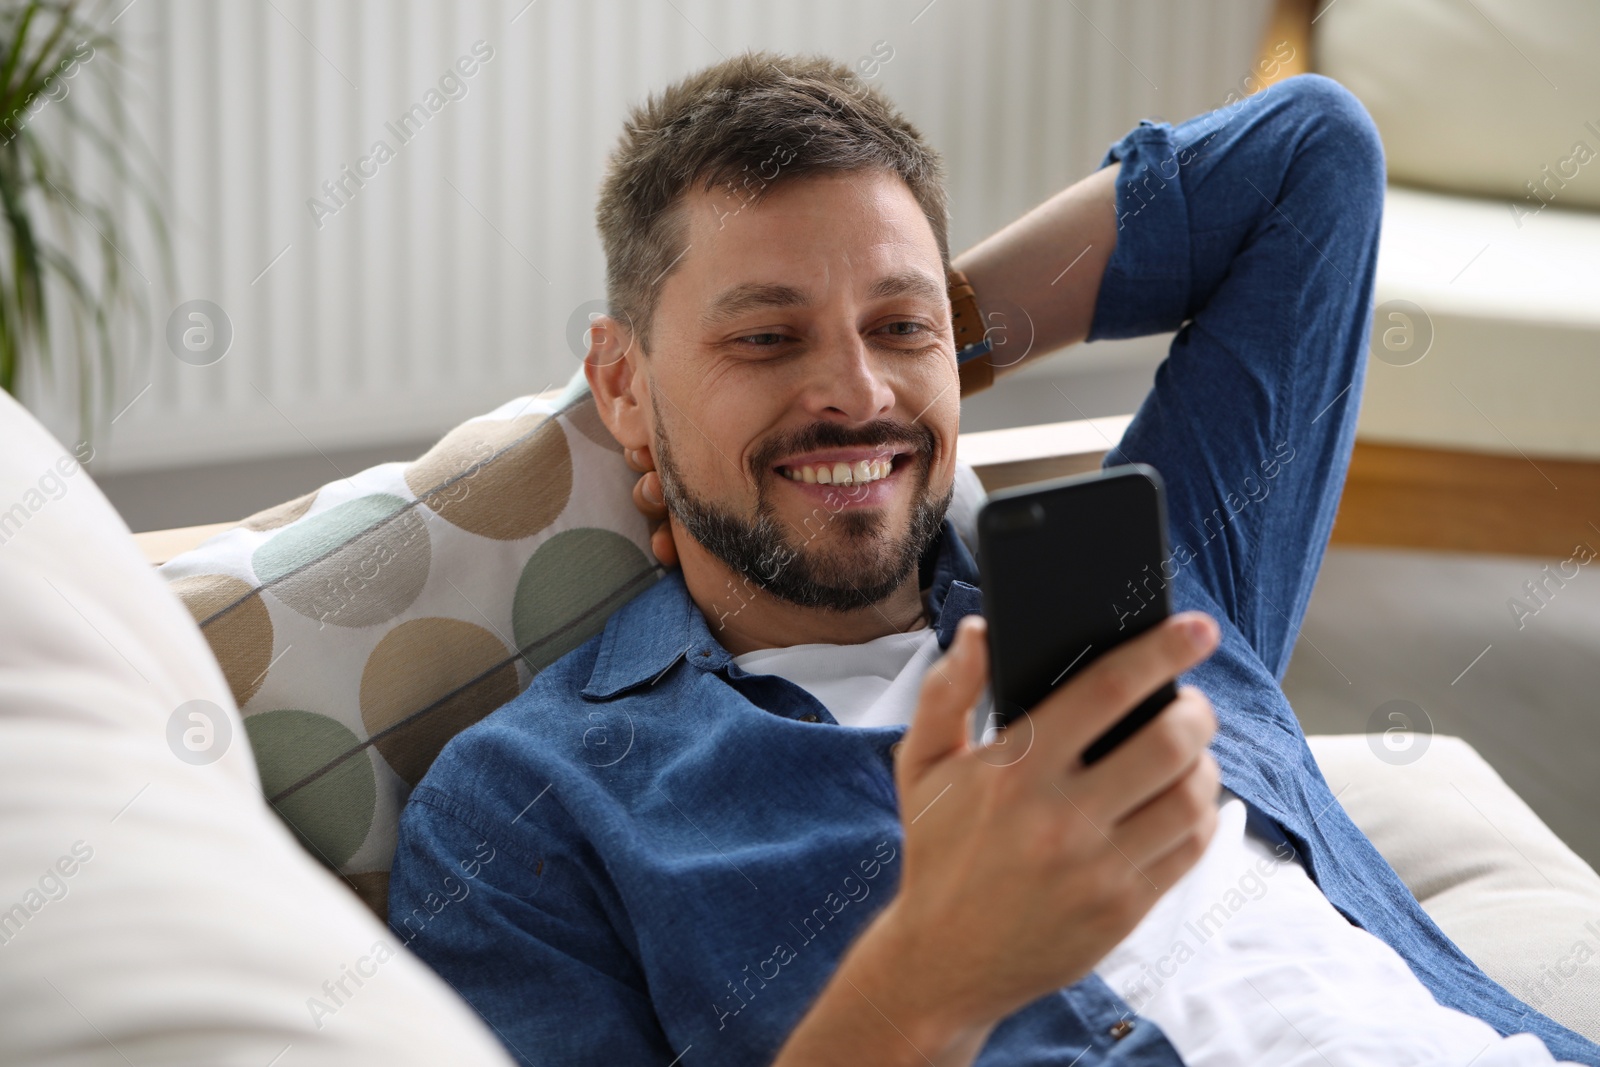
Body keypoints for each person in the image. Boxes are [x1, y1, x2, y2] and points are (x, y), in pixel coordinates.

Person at [387, 50, 1600, 1066]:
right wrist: (928, 976)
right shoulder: (529, 800)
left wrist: (906, 381)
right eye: (764, 335)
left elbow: (1310, 157)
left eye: (898, 327)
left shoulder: (1144, 585)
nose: (855, 388)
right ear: (621, 384)